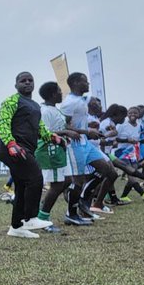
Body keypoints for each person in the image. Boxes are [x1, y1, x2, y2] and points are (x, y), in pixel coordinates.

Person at [0, 72, 58, 238]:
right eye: (23, 81)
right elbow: (2, 123)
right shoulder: (12, 100)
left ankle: (16, 227)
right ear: (16, 85)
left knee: (22, 186)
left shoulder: (35, 105)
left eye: (30, 80)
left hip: (26, 148)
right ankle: (30, 217)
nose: (27, 83)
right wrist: (11, 143)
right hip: (13, 148)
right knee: (36, 179)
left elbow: (40, 128)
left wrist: (52, 137)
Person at [61, 73, 119, 222]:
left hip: (85, 143)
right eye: (85, 82)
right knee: (78, 181)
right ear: (75, 83)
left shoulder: (82, 99)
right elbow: (64, 125)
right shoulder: (69, 102)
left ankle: (84, 202)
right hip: (74, 145)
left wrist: (91, 130)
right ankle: (71, 214)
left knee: (106, 169)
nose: (88, 84)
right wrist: (87, 131)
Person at [34, 82, 81, 226]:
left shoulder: (55, 109)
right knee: (56, 185)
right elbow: (43, 132)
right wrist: (66, 132)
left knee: (66, 181)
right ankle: (42, 218)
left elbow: (61, 125)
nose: (62, 94)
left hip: (60, 149)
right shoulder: (45, 111)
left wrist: (74, 131)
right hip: (51, 150)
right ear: (52, 94)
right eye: (60, 91)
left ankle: (42, 208)